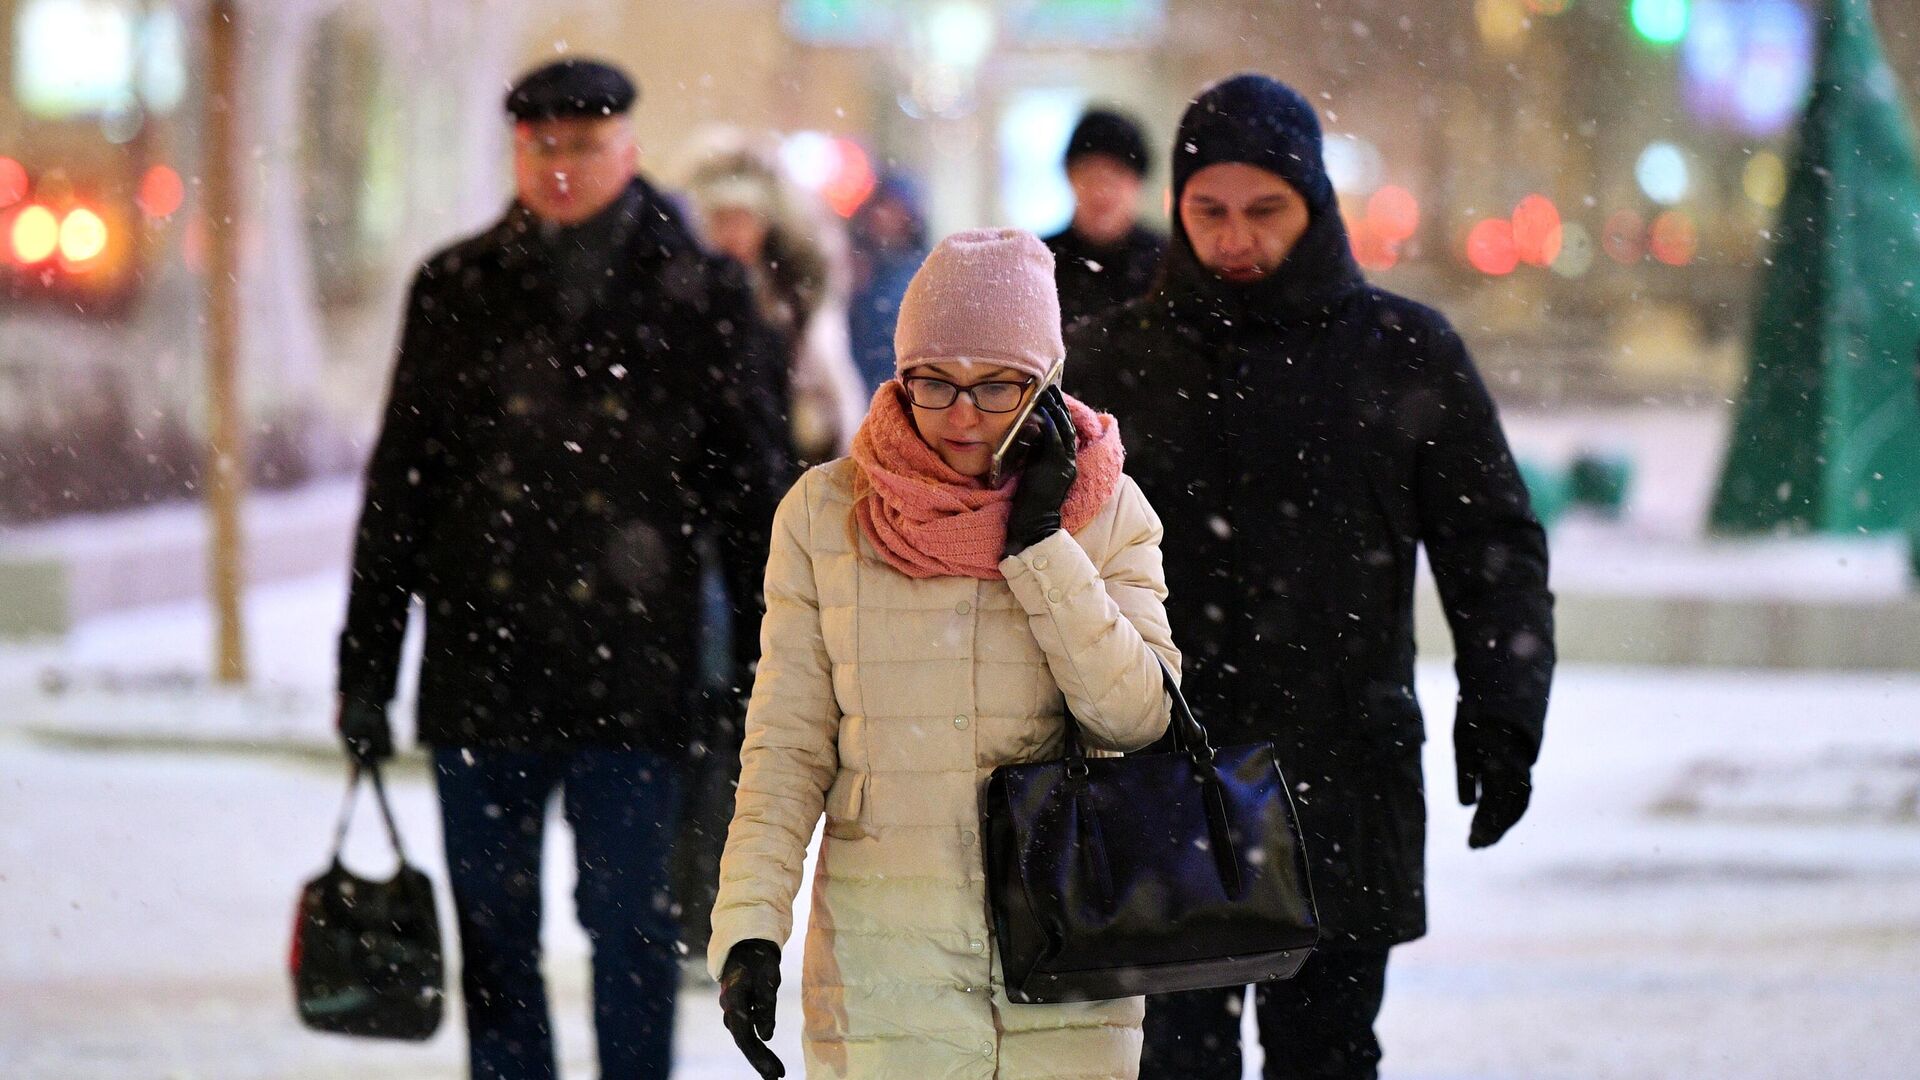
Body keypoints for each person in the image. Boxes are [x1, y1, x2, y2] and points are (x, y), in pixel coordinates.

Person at [1070, 74, 1556, 1080]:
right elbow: (1035, 557)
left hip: (1338, 774)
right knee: (1175, 1062)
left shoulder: (1402, 354)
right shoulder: (1113, 363)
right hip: (1166, 776)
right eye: (1209, 212)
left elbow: (1492, 547)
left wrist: (1506, 712)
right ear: (1178, 208)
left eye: (1265, 211)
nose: (1236, 238)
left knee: (1326, 1055)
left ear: (1316, 205)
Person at [333, 58, 790, 1080]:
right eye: (542, 145)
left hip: (635, 678)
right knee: (494, 941)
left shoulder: (703, 292)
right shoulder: (456, 287)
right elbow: (400, 491)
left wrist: (776, 664)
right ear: (516, 150)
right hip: (479, 670)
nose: (563, 166)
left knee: (631, 933)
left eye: (585, 143)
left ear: (627, 146)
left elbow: (750, 499)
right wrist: (364, 669)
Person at [707, 228, 1178, 1079]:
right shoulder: (825, 517)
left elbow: (1139, 717)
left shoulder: (1108, 513)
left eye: (997, 385)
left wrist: (1041, 545)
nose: (961, 414)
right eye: (934, 382)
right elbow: (786, 747)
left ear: (1045, 386)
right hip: (883, 979)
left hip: (1066, 973)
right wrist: (749, 928)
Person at [686, 141, 867, 464]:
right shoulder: (690, 294)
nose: (733, 233)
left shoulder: (791, 295)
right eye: (722, 219)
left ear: (765, 221)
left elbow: (829, 375)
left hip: (782, 453)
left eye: (742, 218)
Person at [1043, 108, 1167, 328]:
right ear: (1070, 177)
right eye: (1090, 174)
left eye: (1116, 175)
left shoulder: (1168, 263)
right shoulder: (1041, 263)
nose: (1102, 190)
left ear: (1137, 182)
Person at [845, 171, 930, 392]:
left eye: (892, 208)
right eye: (879, 207)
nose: (882, 216)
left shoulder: (921, 271)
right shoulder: (861, 268)